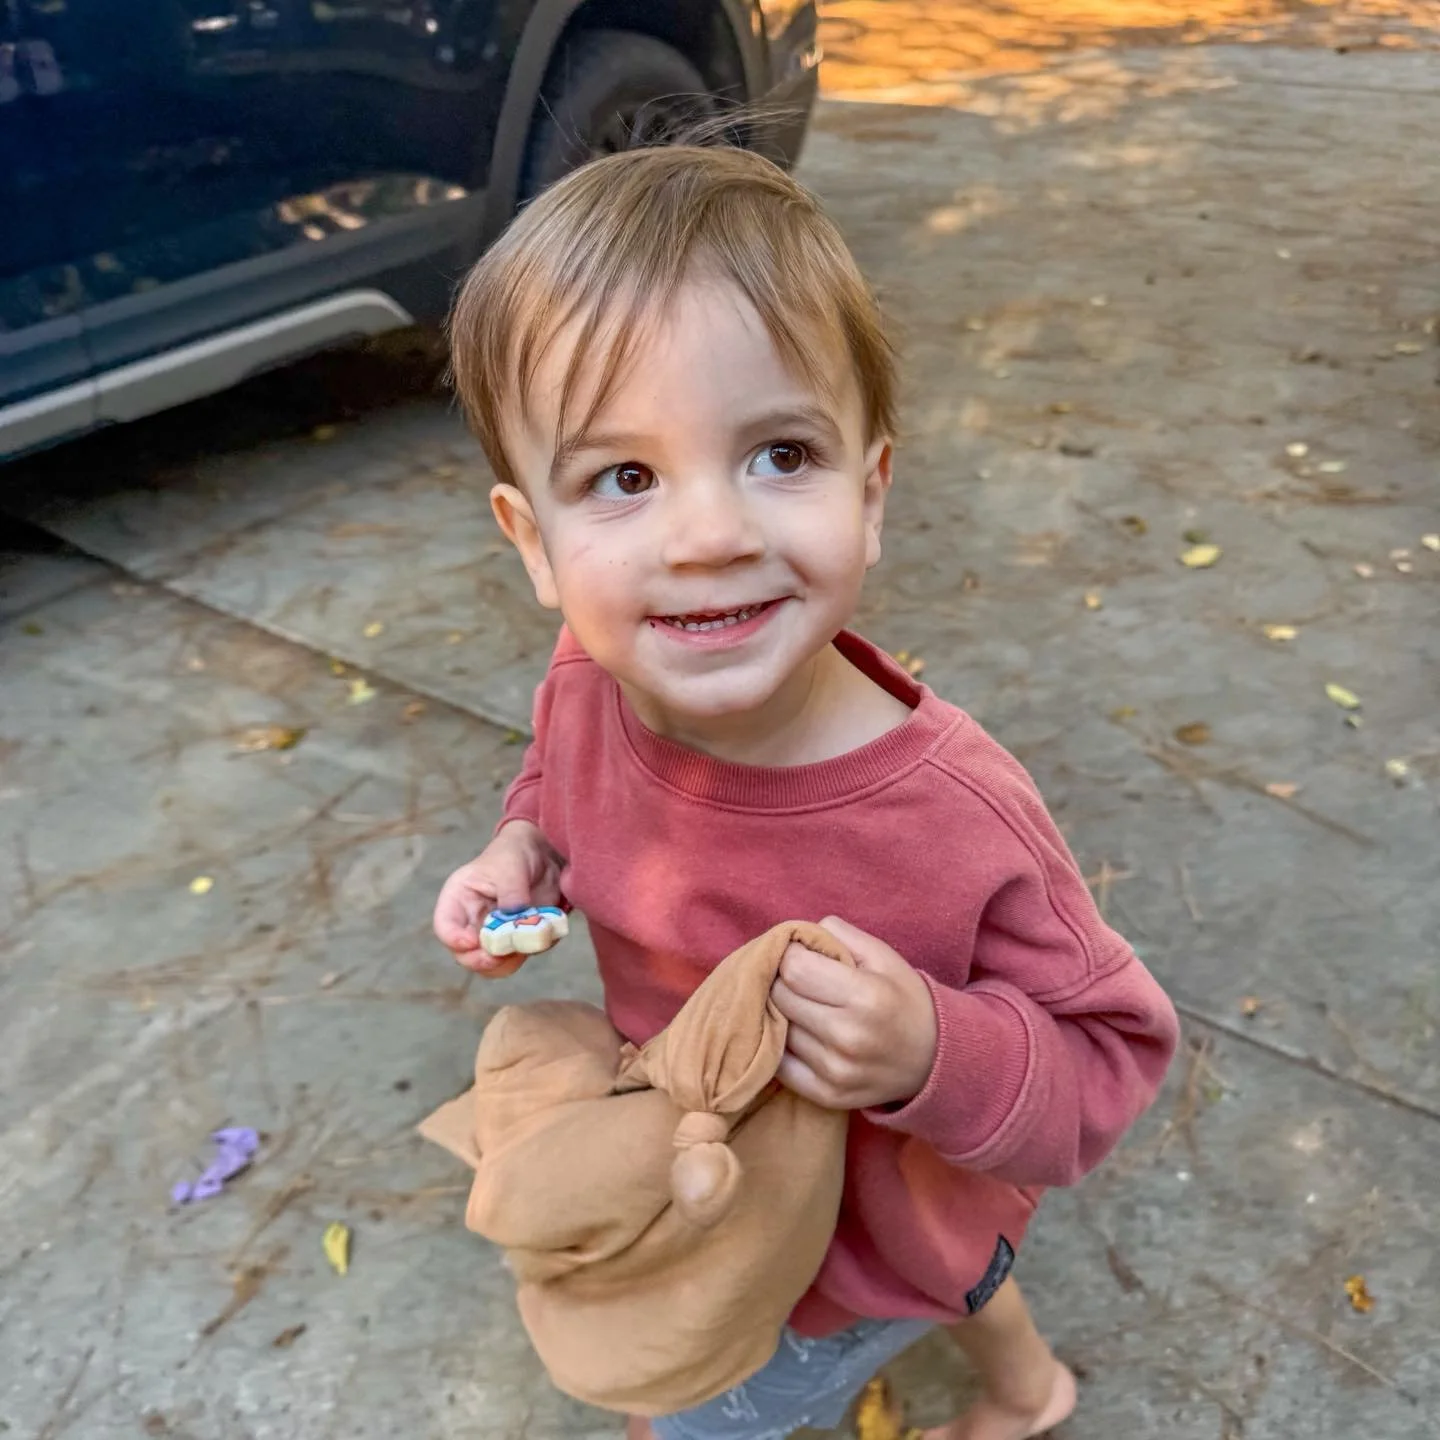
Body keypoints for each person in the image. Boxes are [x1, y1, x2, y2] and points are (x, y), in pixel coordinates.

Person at [432, 137, 1179, 1440]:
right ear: (532, 543)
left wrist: (933, 1052)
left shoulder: (955, 815)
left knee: (720, 1396)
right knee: (958, 1273)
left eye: (780, 453)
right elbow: (556, 768)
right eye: (624, 477)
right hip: (751, 1179)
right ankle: (1031, 1392)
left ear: (871, 489)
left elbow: (1111, 1057)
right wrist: (522, 850)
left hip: (831, 1259)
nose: (711, 533)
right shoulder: (591, 675)